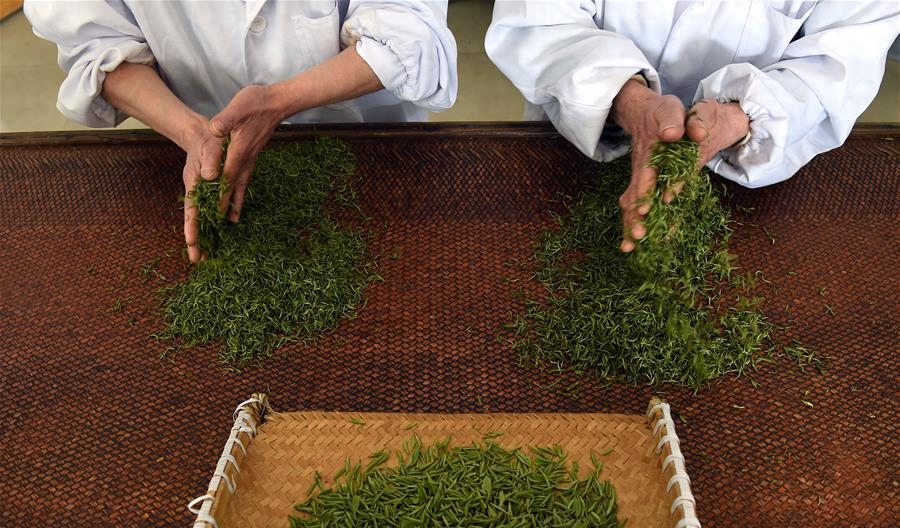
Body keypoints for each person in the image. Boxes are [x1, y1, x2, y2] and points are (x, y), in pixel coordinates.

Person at [25, 0, 458, 262]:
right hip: (189, 150)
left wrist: (280, 100)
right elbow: (94, 43)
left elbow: (410, 30)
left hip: (365, 149)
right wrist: (192, 131)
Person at [485, 1, 899, 251]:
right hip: (582, 130)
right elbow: (538, 20)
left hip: (751, 159)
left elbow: (841, 60)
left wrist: (741, 116)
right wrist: (629, 101)